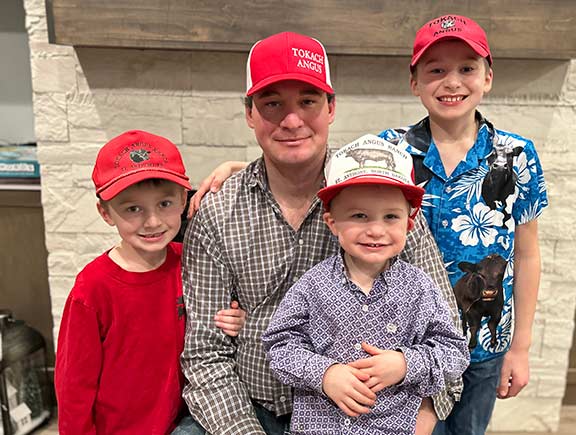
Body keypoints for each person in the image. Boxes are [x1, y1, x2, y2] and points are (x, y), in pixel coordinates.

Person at [179, 31, 462, 435]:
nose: (291, 120)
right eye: (272, 103)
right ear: (250, 113)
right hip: (251, 405)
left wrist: (421, 417)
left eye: (307, 101)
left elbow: (446, 329)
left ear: (331, 107)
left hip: (371, 417)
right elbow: (206, 355)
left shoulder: (380, 202)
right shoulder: (218, 213)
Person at [378, 14, 548, 435]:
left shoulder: (517, 155)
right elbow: (323, 176)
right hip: (408, 345)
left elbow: (527, 254)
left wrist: (521, 348)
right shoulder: (389, 152)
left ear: (487, 77)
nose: (451, 82)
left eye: (466, 69)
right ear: (415, 82)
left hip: (484, 346)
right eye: (436, 70)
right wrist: (236, 166)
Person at [262, 134, 470, 434]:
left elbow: (454, 352)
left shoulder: (420, 288)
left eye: (390, 217)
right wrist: (325, 374)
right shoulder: (312, 285)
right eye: (359, 216)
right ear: (332, 222)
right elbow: (279, 345)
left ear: (408, 224)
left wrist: (405, 364)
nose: (375, 230)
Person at [54, 130, 245, 435]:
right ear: (105, 212)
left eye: (165, 204)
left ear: (184, 199)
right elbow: (73, 386)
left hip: (187, 423)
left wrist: (235, 317)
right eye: (133, 209)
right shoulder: (92, 289)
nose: (153, 221)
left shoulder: (194, 260)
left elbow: (217, 320)